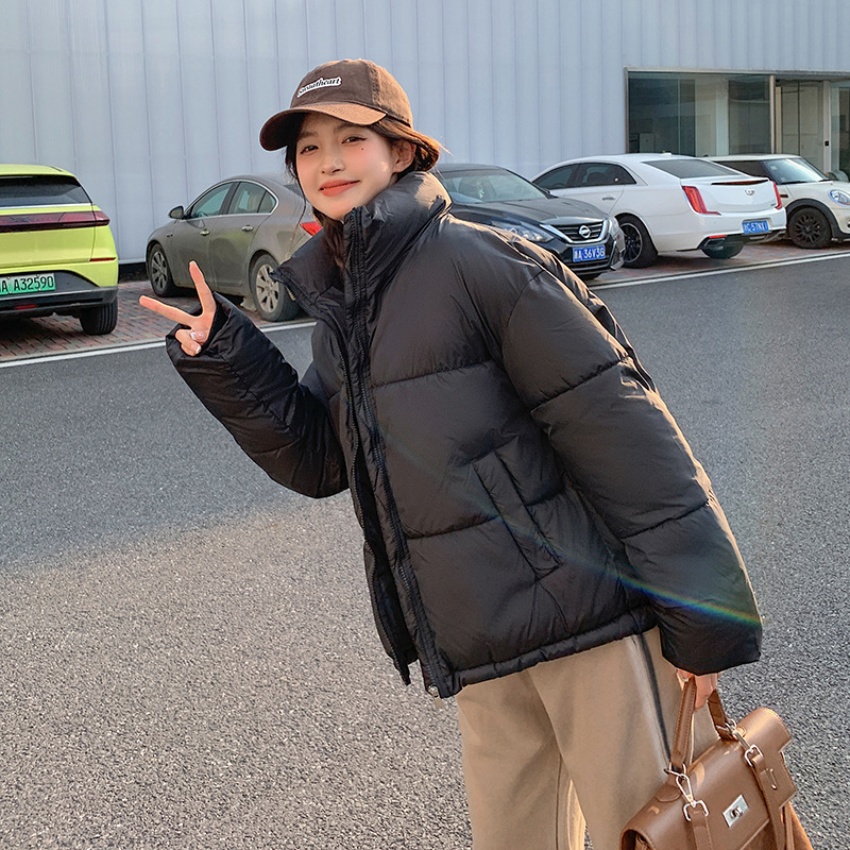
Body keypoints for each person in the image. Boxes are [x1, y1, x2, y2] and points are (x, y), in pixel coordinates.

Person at [140, 59, 762, 850]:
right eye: (308, 148)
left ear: (401, 152)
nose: (327, 162)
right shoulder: (345, 308)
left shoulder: (484, 264)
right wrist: (230, 356)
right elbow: (321, 463)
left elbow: (627, 438)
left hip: (594, 627)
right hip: (478, 645)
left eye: (351, 139)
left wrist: (704, 621)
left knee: (652, 833)